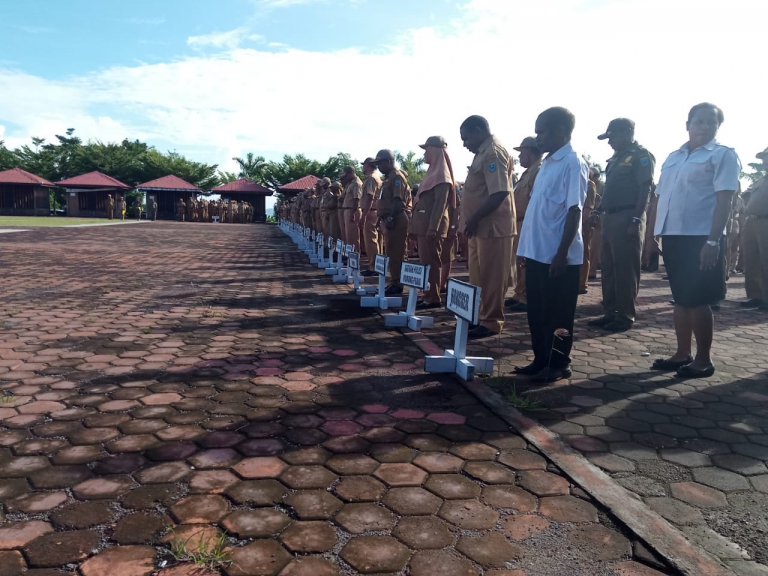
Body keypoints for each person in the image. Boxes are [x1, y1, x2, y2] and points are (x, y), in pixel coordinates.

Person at [651, 102, 741, 378]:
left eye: (710, 122)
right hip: (674, 234)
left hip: (702, 237)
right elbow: (661, 197)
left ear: (717, 127)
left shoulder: (723, 155)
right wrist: (655, 233)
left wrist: (713, 241)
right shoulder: (673, 157)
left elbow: (724, 201)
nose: (704, 126)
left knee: (699, 299)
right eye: (698, 121)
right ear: (687, 124)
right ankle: (681, 354)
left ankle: (703, 360)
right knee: (681, 298)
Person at [515, 107, 588, 382]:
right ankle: (540, 359)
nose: (538, 137)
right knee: (537, 311)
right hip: (537, 253)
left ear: (560, 130)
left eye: (541, 131)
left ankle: (559, 363)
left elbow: (574, 210)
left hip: (558, 257)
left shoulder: (573, 162)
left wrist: (562, 253)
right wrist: (524, 249)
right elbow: (537, 210)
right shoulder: (546, 164)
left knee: (558, 314)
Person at [587, 118, 655, 332]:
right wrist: (598, 209)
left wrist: (636, 220)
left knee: (625, 269)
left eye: (612, 136)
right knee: (608, 268)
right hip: (611, 217)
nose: (610, 142)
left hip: (628, 216)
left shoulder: (641, 156)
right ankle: (610, 312)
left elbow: (645, 190)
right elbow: (609, 191)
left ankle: (625, 316)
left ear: (627, 132)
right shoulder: (615, 159)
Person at [459, 115, 515, 338]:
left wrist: (474, 218)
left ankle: (492, 321)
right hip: (479, 228)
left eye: (466, 138)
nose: (465, 144)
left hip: (493, 227)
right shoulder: (482, 154)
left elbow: (500, 191)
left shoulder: (493, 152)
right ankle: (482, 316)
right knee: (478, 277)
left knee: (492, 278)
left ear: (479, 131)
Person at [410, 136, 455, 308]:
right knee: (426, 262)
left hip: (432, 228)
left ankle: (433, 296)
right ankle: (429, 292)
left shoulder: (442, 176)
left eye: (426, 149)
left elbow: (440, 205)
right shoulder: (433, 173)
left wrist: (432, 228)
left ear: (435, 150)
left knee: (432, 262)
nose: (424, 154)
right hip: (425, 226)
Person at [507, 137, 543, 313]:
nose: (520, 156)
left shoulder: (538, 171)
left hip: (528, 223)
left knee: (526, 262)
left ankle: (526, 297)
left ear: (530, 151)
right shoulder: (528, 172)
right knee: (520, 260)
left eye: (522, 152)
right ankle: (519, 294)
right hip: (519, 222)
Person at [374, 149, 411, 295]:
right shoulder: (388, 178)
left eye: (380, 163)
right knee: (391, 252)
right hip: (388, 218)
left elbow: (397, 200)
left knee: (397, 253)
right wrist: (380, 219)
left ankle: (398, 283)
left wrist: (390, 217)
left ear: (388, 162)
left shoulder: (397, 177)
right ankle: (394, 280)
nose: (378, 167)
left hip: (396, 218)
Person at [741, 149, 768, 310]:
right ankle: (755, 296)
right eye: (764, 158)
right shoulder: (760, 180)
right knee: (752, 260)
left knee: (766, 259)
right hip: (751, 222)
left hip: (766, 221)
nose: (764, 161)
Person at [360, 158, 383, 276]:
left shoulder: (372, 178)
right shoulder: (375, 177)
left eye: (364, 165)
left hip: (370, 212)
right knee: (375, 240)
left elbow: (369, 197)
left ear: (368, 165)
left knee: (371, 240)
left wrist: (363, 216)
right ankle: (376, 265)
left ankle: (374, 266)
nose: (363, 167)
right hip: (373, 211)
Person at [579, 176, 598, 294]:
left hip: (583, 225)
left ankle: (582, 284)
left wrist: (581, 226)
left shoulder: (589, 184)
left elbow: (588, 207)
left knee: (584, 254)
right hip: (575, 225)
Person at [341, 166, 363, 251]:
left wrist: (353, 213)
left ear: (351, 173)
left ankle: (355, 255)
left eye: (346, 175)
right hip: (348, 209)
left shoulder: (356, 183)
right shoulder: (351, 183)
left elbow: (357, 199)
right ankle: (350, 255)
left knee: (353, 236)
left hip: (352, 210)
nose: (345, 177)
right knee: (349, 236)